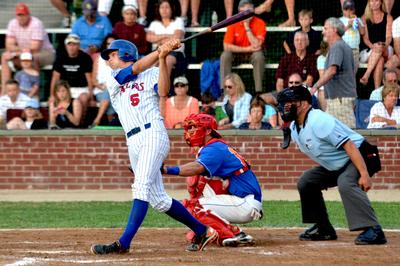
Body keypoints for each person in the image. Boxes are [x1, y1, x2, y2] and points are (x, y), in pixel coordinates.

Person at [90, 39, 217, 255]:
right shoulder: (114, 78)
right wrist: (160, 50)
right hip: (132, 140)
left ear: (126, 54)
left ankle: (124, 243)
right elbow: (136, 69)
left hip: (152, 133)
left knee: (140, 187)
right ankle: (201, 229)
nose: (108, 59)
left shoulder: (151, 73)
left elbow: (164, 91)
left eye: (112, 54)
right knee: (158, 199)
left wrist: (162, 58)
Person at [276, 85, 387, 245]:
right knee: (307, 181)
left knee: (346, 182)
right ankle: (323, 228)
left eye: (290, 102)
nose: (285, 106)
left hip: (363, 154)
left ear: (304, 104)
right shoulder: (294, 127)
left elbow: (349, 145)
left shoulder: (319, 120)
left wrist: (364, 174)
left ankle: (374, 230)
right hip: (340, 163)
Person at [162, 113, 263, 246]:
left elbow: (196, 168)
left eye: (194, 127)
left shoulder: (214, 148)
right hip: (244, 200)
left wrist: (166, 170)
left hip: (245, 202)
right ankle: (234, 232)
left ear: (208, 130)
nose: (190, 131)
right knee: (197, 193)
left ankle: (230, 233)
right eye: (189, 128)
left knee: (192, 206)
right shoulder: (214, 146)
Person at [311, 17, 357, 129]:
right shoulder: (340, 46)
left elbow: (332, 70)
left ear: (334, 30)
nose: (323, 32)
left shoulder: (337, 46)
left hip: (340, 100)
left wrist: (316, 86)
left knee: (347, 136)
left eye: (326, 28)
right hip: (337, 100)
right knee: (332, 135)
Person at [1, 3, 55, 94]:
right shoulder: (12, 23)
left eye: (23, 15)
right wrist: (21, 51)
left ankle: (33, 96)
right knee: (5, 56)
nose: (21, 17)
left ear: (28, 14)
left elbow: (35, 47)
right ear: (16, 15)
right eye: (19, 15)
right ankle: (5, 92)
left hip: (44, 52)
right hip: (23, 52)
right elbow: (8, 45)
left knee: (31, 58)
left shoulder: (36, 23)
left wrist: (19, 51)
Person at [220, 0, 266, 93]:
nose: (246, 15)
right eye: (243, 12)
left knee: (259, 56)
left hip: (253, 54)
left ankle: (259, 92)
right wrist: (246, 49)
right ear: (239, 12)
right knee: (225, 55)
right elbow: (226, 46)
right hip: (237, 55)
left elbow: (257, 45)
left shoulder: (260, 23)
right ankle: (224, 91)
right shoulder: (233, 22)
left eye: (248, 12)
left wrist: (247, 27)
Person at [50, 34, 94, 111]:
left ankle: (80, 122)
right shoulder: (60, 57)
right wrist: (52, 95)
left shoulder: (85, 58)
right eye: (69, 44)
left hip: (82, 89)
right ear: (66, 46)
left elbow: (89, 79)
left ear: (79, 45)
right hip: (65, 89)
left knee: (83, 99)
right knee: (54, 101)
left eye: (74, 44)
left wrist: (91, 97)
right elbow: (55, 78)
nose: (72, 47)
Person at [146, 0, 186, 78]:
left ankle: (162, 87)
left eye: (167, 7)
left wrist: (158, 40)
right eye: (162, 7)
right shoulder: (154, 23)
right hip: (157, 51)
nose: (164, 10)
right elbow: (149, 38)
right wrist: (167, 36)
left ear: (172, 9)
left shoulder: (178, 21)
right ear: (158, 9)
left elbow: (177, 37)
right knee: (150, 63)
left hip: (174, 52)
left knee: (167, 60)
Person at [359, 0, 393, 89]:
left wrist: (383, 45)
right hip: (369, 50)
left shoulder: (388, 17)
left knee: (380, 48)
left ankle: (366, 74)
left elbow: (389, 37)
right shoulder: (364, 18)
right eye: (371, 1)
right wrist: (373, 47)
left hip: (385, 48)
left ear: (381, 2)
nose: (374, 3)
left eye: (376, 0)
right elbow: (365, 39)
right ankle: (377, 90)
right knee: (380, 59)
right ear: (368, 3)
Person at [92, 34, 118, 126]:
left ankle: (98, 121)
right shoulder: (99, 59)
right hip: (101, 89)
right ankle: (102, 121)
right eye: (108, 43)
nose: (110, 46)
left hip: (116, 89)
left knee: (109, 93)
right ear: (105, 45)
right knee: (107, 94)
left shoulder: (120, 59)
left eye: (113, 44)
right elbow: (94, 79)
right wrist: (101, 87)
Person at [339, 0, 363, 75]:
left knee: (353, 72)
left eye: (351, 9)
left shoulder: (358, 19)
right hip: (343, 50)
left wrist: (357, 22)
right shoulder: (340, 20)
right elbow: (339, 33)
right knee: (343, 70)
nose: (349, 11)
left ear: (354, 10)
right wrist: (348, 25)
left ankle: (351, 85)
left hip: (354, 50)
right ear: (343, 10)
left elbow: (362, 32)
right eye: (346, 9)